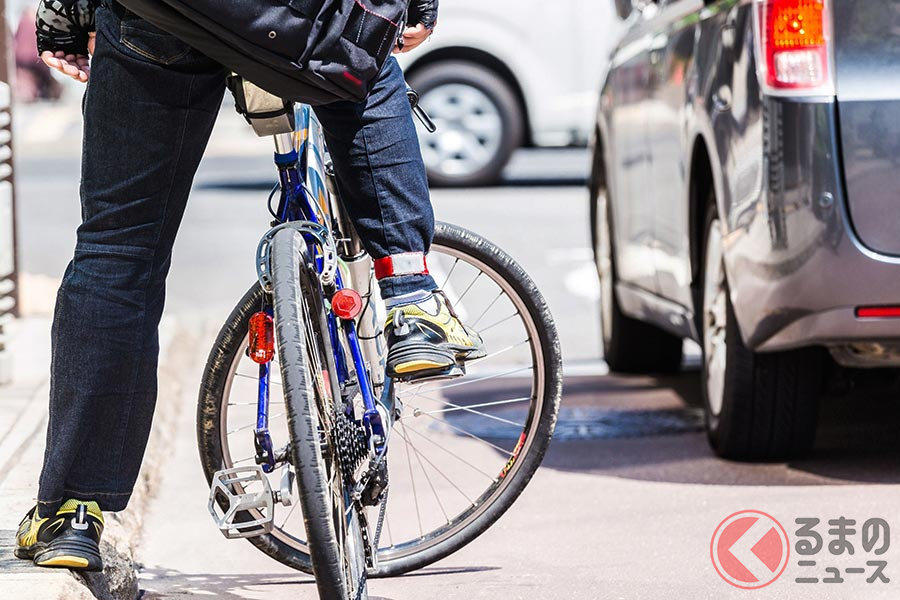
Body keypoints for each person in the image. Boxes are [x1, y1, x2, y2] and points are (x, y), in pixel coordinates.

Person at [15, 0, 483, 572]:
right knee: (367, 55)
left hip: (164, 16)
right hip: (303, 15)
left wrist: (64, 17)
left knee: (119, 249)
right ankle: (411, 297)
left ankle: (72, 512)